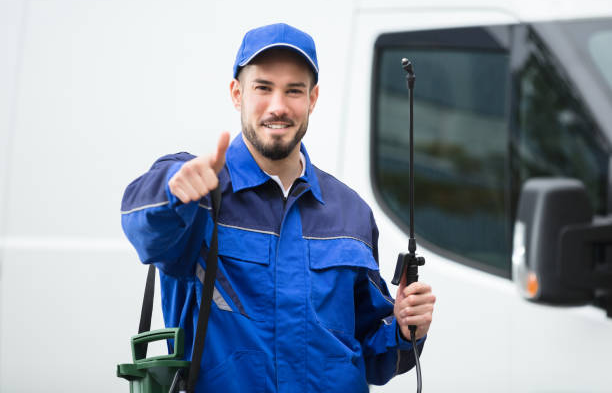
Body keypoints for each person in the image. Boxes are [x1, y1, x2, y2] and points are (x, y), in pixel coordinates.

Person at [121, 23, 436, 392]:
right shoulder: (197, 194)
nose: (278, 106)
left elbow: (372, 354)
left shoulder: (351, 213)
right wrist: (172, 190)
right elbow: (146, 229)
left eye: (293, 91)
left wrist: (401, 328)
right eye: (263, 88)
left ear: (313, 99)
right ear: (236, 93)